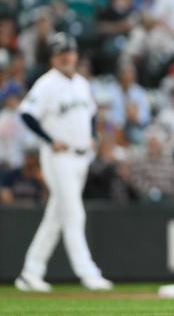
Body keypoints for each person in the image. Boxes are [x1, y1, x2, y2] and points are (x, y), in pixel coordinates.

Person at [14, 33, 113, 291]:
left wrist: (93, 135)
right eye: (60, 53)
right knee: (74, 214)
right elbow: (26, 114)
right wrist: (49, 139)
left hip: (81, 157)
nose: (66, 56)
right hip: (59, 157)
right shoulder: (47, 83)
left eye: (69, 52)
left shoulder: (81, 82)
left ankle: (30, 272)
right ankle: (88, 272)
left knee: (56, 217)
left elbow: (91, 113)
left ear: (76, 54)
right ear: (53, 57)